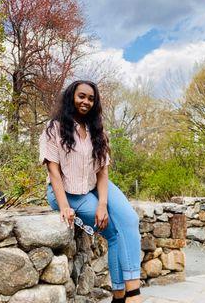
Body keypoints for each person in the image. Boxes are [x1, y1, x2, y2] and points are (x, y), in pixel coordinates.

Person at [39, 80, 142, 303]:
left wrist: (103, 203)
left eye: (91, 98)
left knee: (130, 220)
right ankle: (124, 295)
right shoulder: (54, 128)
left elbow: (102, 173)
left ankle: (129, 292)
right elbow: (53, 172)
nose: (86, 101)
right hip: (68, 193)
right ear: (71, 98)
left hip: (95, 185)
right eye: (82, 96)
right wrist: (65, 206)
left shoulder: (97, 131)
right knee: (113, 233)